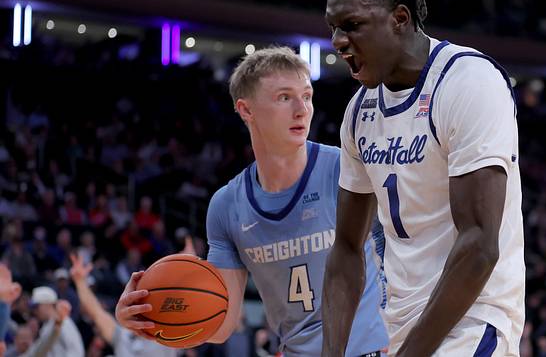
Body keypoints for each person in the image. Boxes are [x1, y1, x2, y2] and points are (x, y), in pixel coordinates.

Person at [115, 47, 388, 356]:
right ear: (246, 110)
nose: (302, 109)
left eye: (307, 96)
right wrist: (148, 319)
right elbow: (221, 325)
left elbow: (403, 247)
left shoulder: (347, 169)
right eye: (285, 97)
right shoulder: (227, 206)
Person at [322, 0, 525, 356]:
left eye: (351, 25)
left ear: (399, 18)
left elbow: (480, 245)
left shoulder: (468, 81)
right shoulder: (359, 113)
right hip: (399, 326)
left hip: (471, 320)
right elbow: (346, 248)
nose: (338, 40)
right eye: (333, 28)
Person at [69, 253, 179, 357]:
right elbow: (95, 312)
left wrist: (188, 274)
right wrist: (80, 282)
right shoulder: (122, 334)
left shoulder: (166, 332)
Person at [26, 286, 84, 356]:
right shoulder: (46, 325)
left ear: (47, 304)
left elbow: (76, 350)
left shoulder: (64, 321)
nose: (35, 311)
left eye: (37, 307)